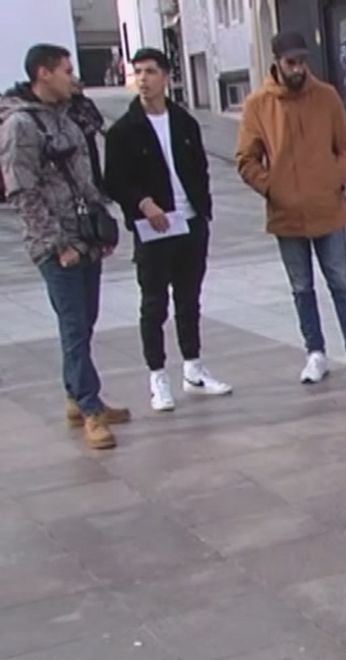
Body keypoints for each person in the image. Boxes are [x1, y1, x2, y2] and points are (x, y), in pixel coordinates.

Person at [234, 31, 346, 385]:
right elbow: (245, 159)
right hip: (286, 213)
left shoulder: (327, 96)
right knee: (301, 286)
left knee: (340, 281)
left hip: (328, 207)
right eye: (291, 62)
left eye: (303, 61)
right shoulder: (258, 104)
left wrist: (336, 178)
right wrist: (272, 188)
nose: (299, 68)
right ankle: (314, 352)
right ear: (277, 62)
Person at [0, 44, 130, 449]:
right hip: (56, 245)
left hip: (84, 236)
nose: (73, 77)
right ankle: (90, 409)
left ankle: (78, 396)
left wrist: (100, 230)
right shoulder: (21, 125)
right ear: (43, 73)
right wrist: (57, 245)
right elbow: (23, 192)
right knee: (74, 325)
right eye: (66, 70)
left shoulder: (68, 116)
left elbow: (85, 177)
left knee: (85, 320)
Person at [104, 48, 232, 412]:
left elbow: (200, 168)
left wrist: (202, 210)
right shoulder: (124, 130)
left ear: (166, 76)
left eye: (150, 71)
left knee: (189, 299)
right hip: (154, 227)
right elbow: (114, 180)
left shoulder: (184, 122)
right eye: (137, 72)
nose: (143, 79)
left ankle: (193, 368)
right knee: (154, 303)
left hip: (190, 222)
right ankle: (157, 376)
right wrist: (143, 203)